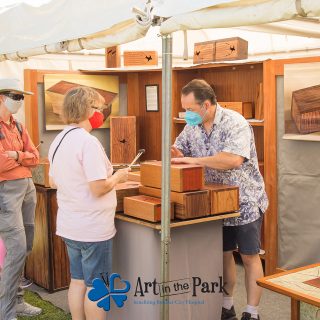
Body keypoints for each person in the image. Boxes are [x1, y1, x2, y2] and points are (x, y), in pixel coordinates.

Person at [171, 79, 268, 320]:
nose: (186, 114)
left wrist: (193, 161)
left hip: (245, 200)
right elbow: (179, 149)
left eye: (190, 109)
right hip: (215, 202)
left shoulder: (235, 122)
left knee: (248, 256)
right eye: (184, 109)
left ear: (206, 104)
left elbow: (232, 159)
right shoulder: (192, 126)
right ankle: (227, 306)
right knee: (223, 254)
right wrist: (177, 155)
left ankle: (252, 312)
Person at [48, 86, 129, 320]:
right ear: (87, 109)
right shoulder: (87, 142)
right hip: (92, 228)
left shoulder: (59, 139)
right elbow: (98, 188)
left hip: (70, 224)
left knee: (78, 280)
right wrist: (117, 177)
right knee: (97, 286)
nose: (101, 113)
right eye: (99, 108)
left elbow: (54, 180)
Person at [0, 78, 42, 320]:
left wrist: (16, 154)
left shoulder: (17, 125)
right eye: (16, 96)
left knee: (25, 245)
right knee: (15, 249)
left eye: (21, 96)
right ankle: (6, 313)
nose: (20, 101)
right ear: (2, 97)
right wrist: (22, 157)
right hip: (7, 192)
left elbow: (35, 156)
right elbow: (0, 163)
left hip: (27, 187)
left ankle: (17, 302)